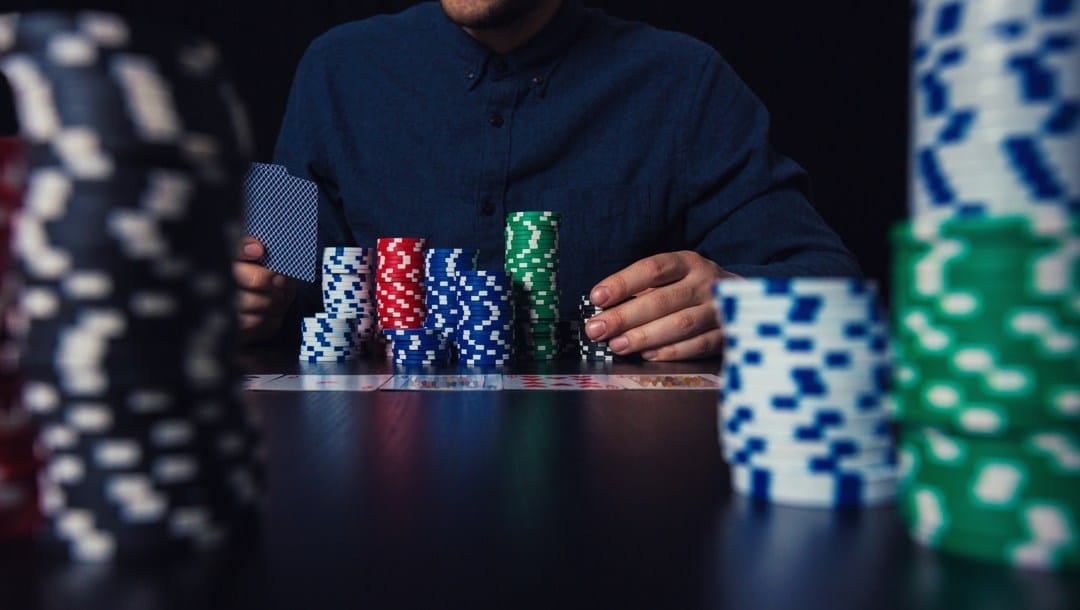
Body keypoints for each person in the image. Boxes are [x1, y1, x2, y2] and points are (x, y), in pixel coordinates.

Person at [235, 0, 861, 360]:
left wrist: (743, 302)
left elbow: (832, 288)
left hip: (618, 501)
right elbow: (273, 278)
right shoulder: (332, 70)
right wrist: (247, 303)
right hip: (379, 486)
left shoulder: (686, 82)